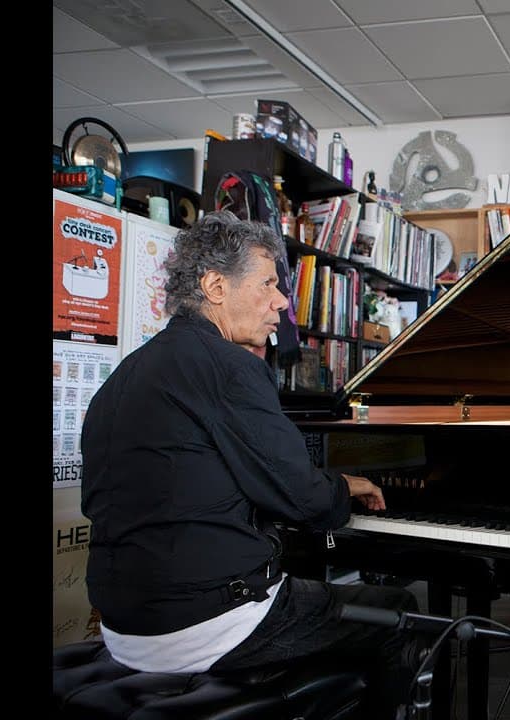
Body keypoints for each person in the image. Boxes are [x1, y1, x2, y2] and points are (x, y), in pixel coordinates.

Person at [81, 210, 421, 717]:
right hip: (200, 624)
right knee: (400, 615)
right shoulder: (229, 367)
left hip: (123, 626)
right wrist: (340, 489)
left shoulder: (127, 374)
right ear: (216, 286)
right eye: (267, 283)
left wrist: (326, 484)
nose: (283, 301)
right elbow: (304, 501)